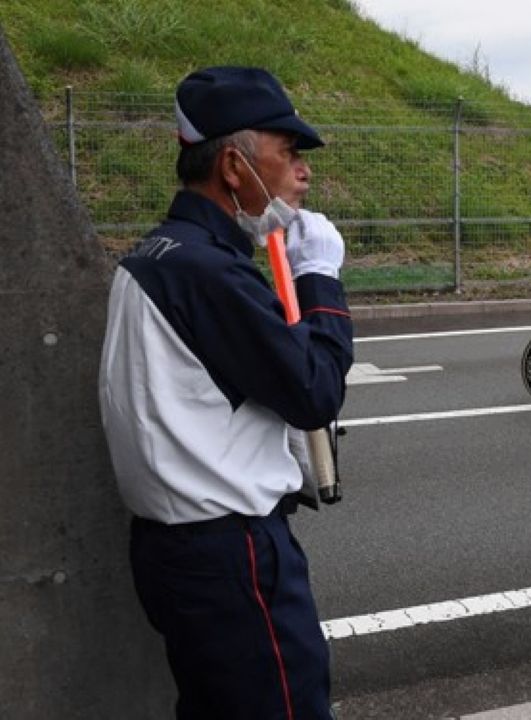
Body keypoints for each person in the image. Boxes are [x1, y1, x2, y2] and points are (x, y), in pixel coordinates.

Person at [98, 66, 353, 719]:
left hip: (176, 549)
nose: (304, 170)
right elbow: (314, 391)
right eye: (289, 152)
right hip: (231, 552)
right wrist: (320, 276)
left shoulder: (153, 255)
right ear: (235, 165)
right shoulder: (206, 270)